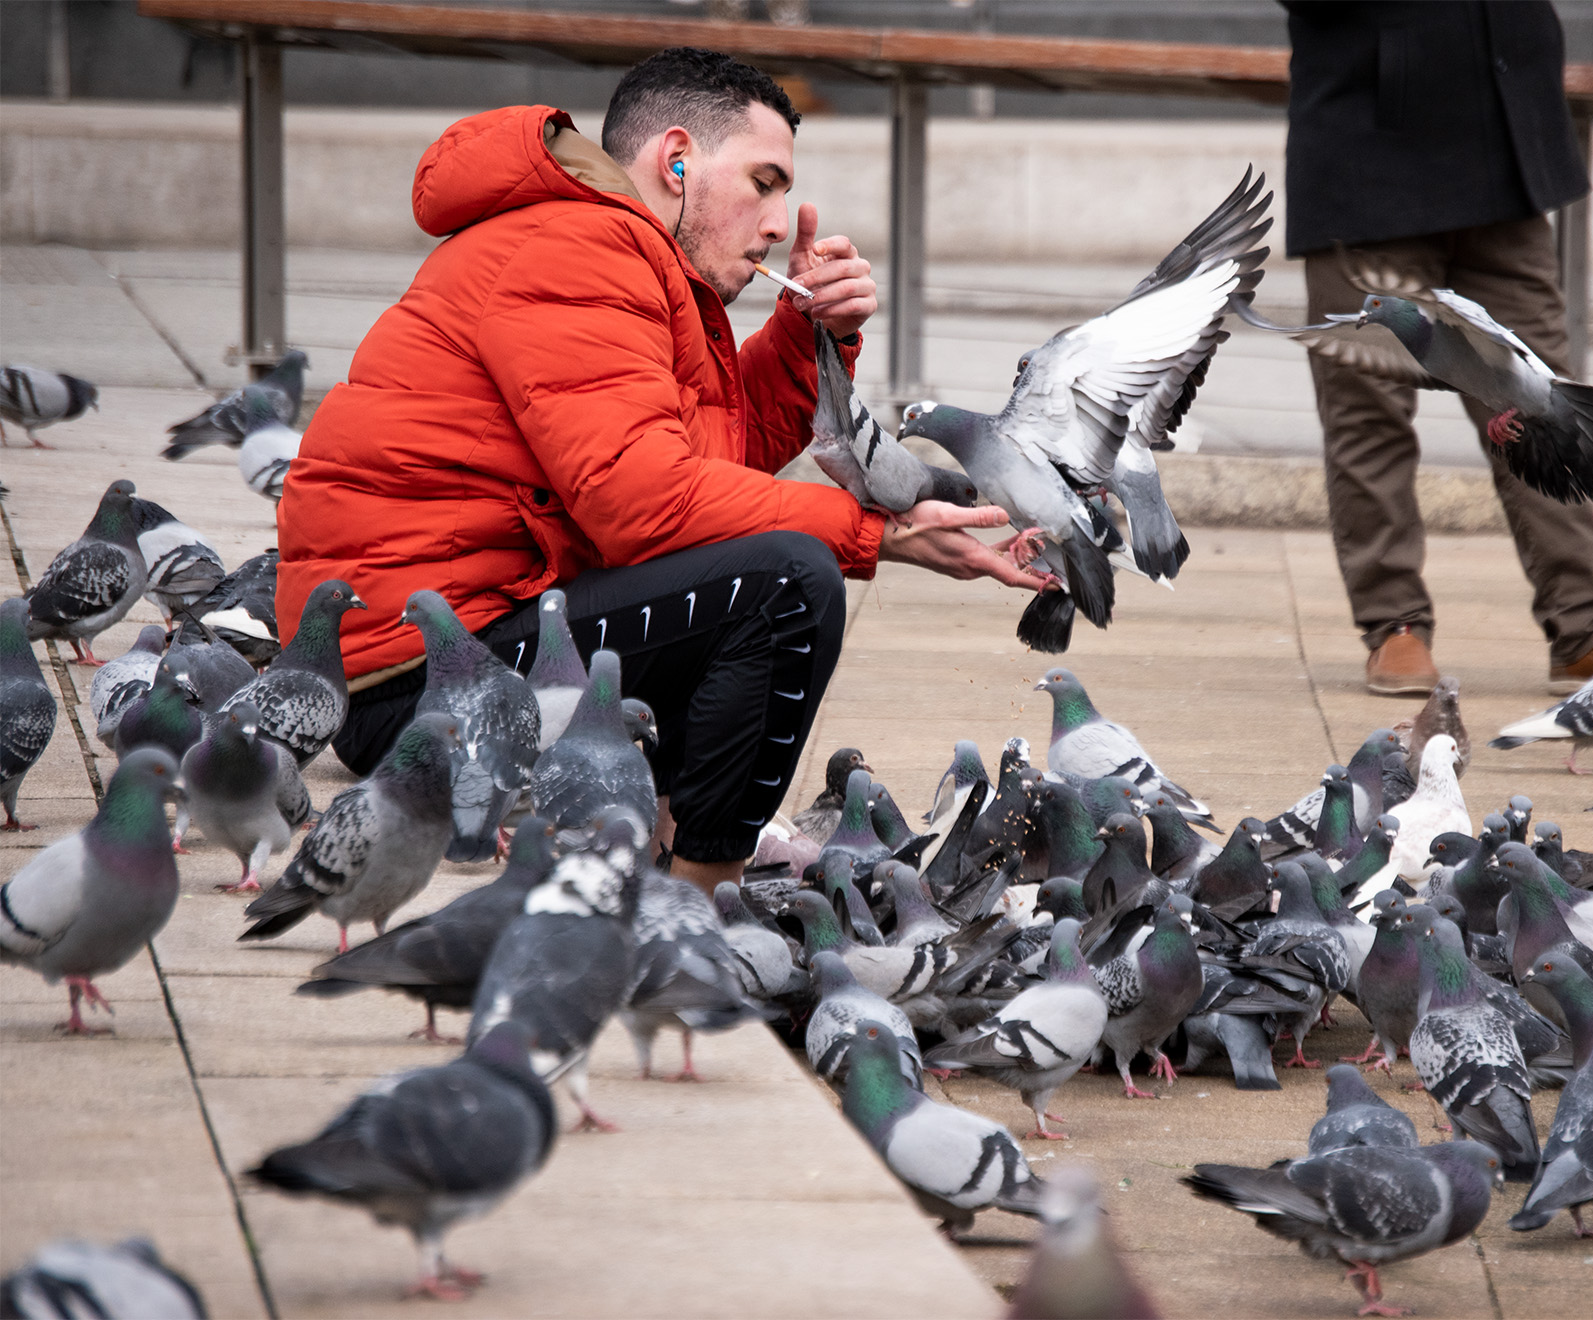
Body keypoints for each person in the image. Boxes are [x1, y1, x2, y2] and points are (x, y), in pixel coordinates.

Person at [277, 48, 1045, 893]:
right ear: (676, 161)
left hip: (457, 655)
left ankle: (673, 838)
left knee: (766, 563)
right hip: (425, 690)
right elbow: (644, 506)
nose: (778, 223)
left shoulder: (625, 252)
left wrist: (804, 339)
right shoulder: (583, 247)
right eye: (764, 182)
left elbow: (704, 479)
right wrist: (874, 532)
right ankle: (696, 894)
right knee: (789, 585)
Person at [1282, 1, 1593, 700]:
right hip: (1367, 144)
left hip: (1506, 142)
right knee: (1369, 413)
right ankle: (1394, 624)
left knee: (1545, 404)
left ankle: (1585, 627)